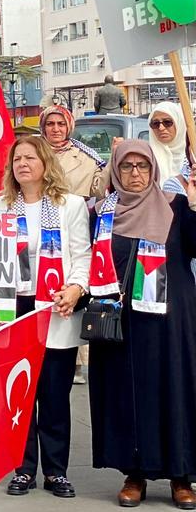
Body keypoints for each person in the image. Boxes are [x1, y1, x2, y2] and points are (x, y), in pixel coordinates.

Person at [87, 141, 196, 509]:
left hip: (170, 323)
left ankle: (181, 475)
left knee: (174, 391)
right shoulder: (101, 212)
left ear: (153, 170)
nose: (135, 174)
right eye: (128, 166)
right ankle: (133, 473)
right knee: (126, 394)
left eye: (143, 166)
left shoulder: (175, 207)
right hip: (121, 323)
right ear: (116, 170)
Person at [0, 136, 91, 498]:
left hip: (54, 306)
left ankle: (56, 471)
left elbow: (83, 255)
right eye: (17, 159)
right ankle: (23, 468)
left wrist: (76, 288)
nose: (23, 164)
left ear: (46, 162)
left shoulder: (71, 206)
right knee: (19, 393)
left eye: (30, 158)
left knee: (53, 393)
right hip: (13, 309)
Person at [40, 105, 106, 198]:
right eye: (50, 124)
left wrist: (115, 157)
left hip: (73, 211)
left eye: (61, 124)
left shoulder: (85, 158)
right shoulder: (32, 153)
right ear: (43, 127)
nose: (55, 129)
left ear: (69, 127)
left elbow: (99, 190)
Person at [148, 102, 189, 187]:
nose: (161, 128)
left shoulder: (192, 157)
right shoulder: (147, 158)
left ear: (179, 122)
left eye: (167, 122)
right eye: (155, 123)